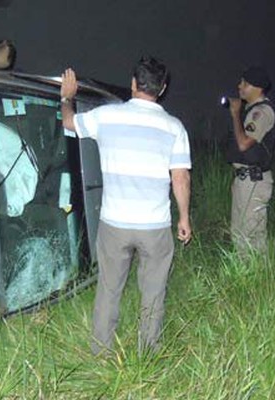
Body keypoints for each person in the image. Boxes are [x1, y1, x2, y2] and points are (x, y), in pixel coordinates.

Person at [60, 56, 192, 355]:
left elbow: (69, 122)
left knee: (109, 289)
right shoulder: (174, 127)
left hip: (114, 223)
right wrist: (184, 217)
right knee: (154, 292)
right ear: (163, 88)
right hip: (155, 225)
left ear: (133, 84)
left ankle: (101, 351)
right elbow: (180, 178)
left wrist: (67, 97)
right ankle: (148, 352)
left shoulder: (107, 116)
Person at [226, 67, 275, 256]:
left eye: (244, 83)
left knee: (252, 235)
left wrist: (235, 114)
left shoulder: (262, 113)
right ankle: (244, 280)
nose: (239, 86)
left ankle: (260, 280)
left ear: (257, 87)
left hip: (254, 181)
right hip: (244, 179)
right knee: (239, 234)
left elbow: (244, 144)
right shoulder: (252, 111)